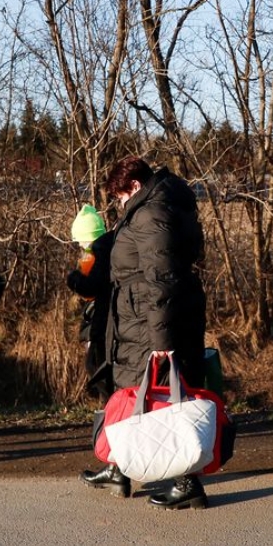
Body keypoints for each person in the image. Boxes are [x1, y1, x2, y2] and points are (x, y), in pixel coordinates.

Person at [76, 156, 210, 509]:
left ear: (133, 186)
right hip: (141, 321)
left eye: (120, 196)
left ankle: (187, 482)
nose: (119, 203)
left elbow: (161, 280)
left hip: (152, 325)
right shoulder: (153, 208)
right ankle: (119, 468)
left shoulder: (151, 214)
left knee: (164, 401)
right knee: (135, 395)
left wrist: (162, 344)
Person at [68, 204, 112, 397]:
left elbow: (91, 287)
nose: (79, 246)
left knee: (96, 365)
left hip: (101, 318)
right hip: (108, 317)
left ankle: (108, 411)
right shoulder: (112, 246)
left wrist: (75, 280)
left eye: (80, 241)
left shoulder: (97, 252)